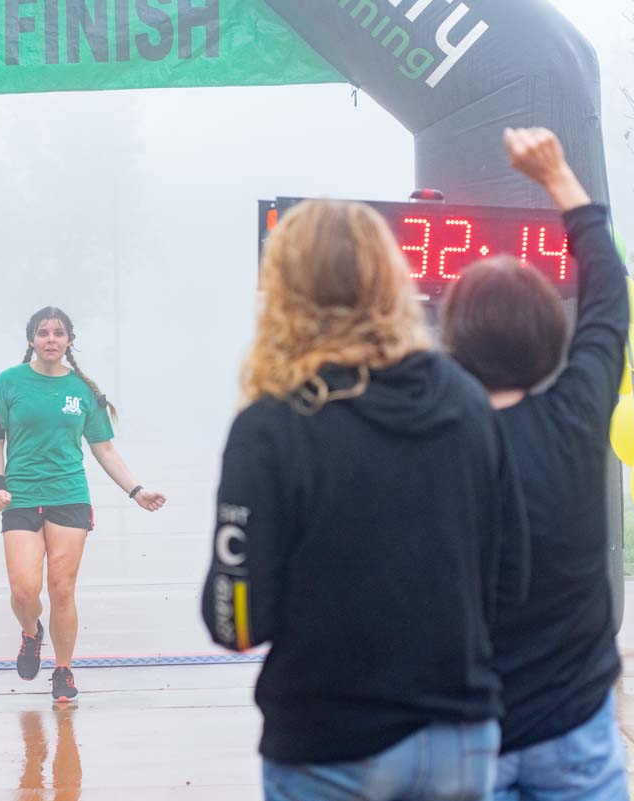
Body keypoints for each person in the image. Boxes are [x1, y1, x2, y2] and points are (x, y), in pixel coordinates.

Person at [201, 199, 530, 801]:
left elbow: (237, 622)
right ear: (391, 279)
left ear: (283, 290)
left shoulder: (273, 423)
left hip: (329, 741)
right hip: (460, 735)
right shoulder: (465, 400)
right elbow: (512, 583)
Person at [441, 128, 631, 801]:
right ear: (554, 339)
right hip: (576, 730)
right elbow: (609, 299)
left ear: (451, 344)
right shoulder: (577, 418)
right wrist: (557, 176)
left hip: (463, 738)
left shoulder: (423, 449)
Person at [0, 306, 166, 703]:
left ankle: (63, 669)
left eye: (58, 333)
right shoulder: (7, 382)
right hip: (20, 497)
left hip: (69, 496)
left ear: (69, 341)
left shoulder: (83, 390)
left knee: (62, 589)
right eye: (43, 332)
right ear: (31, 339)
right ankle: (31, 633)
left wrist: (136, 490)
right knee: (24, 589)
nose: (51, 339)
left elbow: (105, 449)